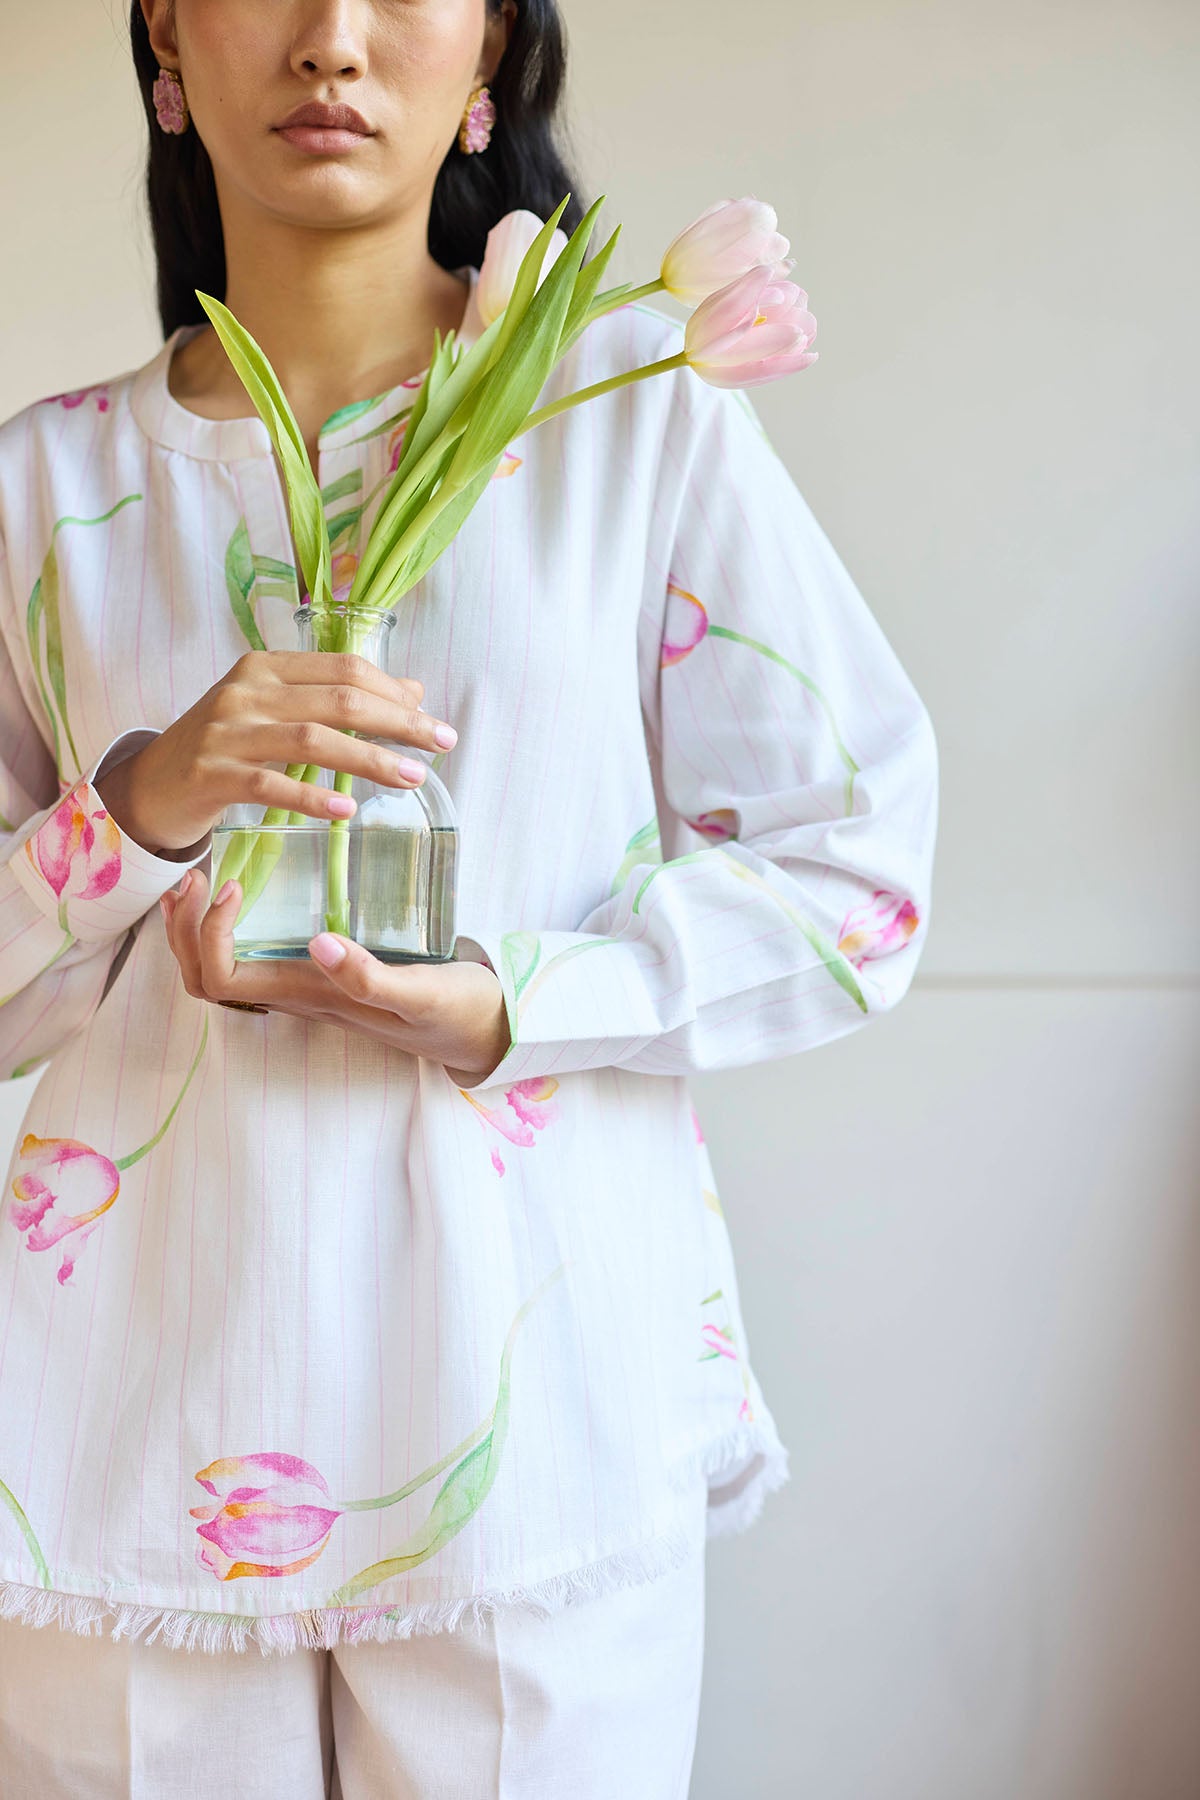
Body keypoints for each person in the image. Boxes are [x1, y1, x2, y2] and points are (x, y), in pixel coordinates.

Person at [0, 1, 939, 1794]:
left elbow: (859, 870)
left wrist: (515, 1002)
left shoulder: (631, 416)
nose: (335, 39)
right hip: (120, 1436)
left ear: (493, 64)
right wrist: (136, 805)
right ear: (164, 57)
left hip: (539, 1425)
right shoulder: (44, 491)